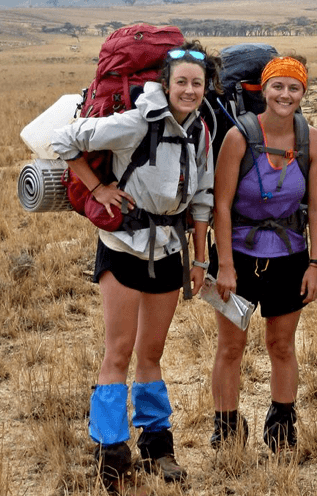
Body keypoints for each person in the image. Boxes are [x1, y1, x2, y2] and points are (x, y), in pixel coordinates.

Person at [51, 40, 221, 489]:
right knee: (119, 352)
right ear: (164, 84)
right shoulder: (134, 122)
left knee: (152, 354)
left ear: (206, 88)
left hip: (169, 250)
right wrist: (96, 188)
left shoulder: (201, 130)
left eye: (196, 84)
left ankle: (157, 446)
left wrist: (200, 257)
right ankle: (111, 451)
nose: (188, 90)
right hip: (122, 245)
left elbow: (201, 198)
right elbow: (64, 140)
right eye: (180, 81)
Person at [208, 56, 317, 454]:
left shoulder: (313, 141)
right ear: (264, 89)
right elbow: (221, 206)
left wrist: (315, 263)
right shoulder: (238, 137)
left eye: (294, 88)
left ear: (303, 93)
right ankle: (226, 429)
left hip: (290, 257)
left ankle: (281, 427)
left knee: (281, 345)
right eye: (278, 86)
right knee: (230, 347)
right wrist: (224, 266)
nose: (285, 94)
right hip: (238, 258)